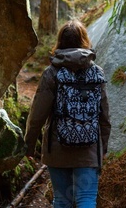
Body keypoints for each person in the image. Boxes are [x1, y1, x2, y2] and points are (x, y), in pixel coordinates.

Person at [24, 20, 111, 208]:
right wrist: (102, 148)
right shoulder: (96, 72)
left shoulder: (52, 73)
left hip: (58, 147)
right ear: (84, 41)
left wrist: (29, 145)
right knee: (86, 199)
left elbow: (38, 115)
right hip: (89, 148)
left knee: (62, 200)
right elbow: (104, 116)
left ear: (60, 42)